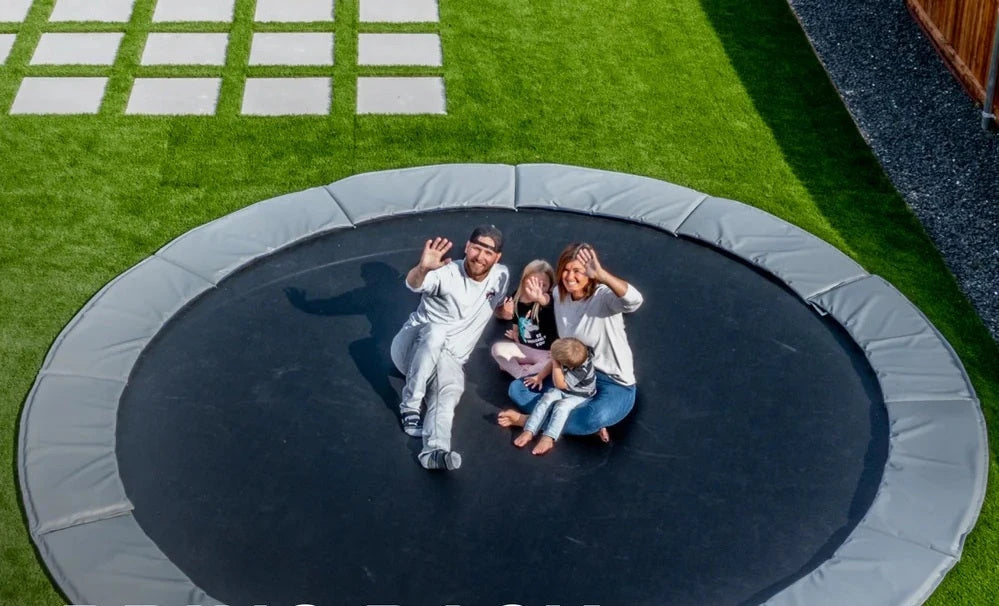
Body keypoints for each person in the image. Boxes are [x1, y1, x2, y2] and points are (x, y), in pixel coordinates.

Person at [391, 225, 509, 471]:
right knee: (437, 332)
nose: (480, 256)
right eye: (476, 248)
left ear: (497, 257)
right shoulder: (446, 273)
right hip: (411, 348)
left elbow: (492, 306)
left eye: (488, 252)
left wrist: (503, 313)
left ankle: (435, 451)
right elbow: (414, 284)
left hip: (450, 358)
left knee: (449, 392)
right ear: (467, 247)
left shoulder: (501, 276)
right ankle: (410, 405)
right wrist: (423, 268)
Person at [498, 243, 642, 443]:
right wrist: (541, 300)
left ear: (589, 275)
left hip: (613, 381)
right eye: (566, 270)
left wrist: (602, 275)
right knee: (518, 390)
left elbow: (634, 301)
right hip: (573, 375)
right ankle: (572, 421)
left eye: (577, 271)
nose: (570, 276)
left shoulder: (603, 297)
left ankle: (528, 421)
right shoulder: (560, 294)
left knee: (595, 417)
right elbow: (554, 303)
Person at [512, 338, 596, 455]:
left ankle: (549, 437)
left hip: (581, 395)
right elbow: (551, 364)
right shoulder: (572, 355)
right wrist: (539, 377)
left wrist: (556, 362)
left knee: (562, 406)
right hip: (566, 388)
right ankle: (529, 429)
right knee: (547, 398)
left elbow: (560, 384)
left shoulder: (583, 368)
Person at [490, 259, 558, 378]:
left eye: (543, 285)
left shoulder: (549, 299)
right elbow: (515, 320)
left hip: (547, 354)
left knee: (555, 361)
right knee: (497, 349)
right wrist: (516, 332)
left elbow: (548, 303)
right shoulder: (517, 297)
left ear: (550, 287)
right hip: (527, 350)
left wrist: (540, 299)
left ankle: (525, 372)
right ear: (524, 280)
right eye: (532, 283)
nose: (537, 289)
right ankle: (524, 372)